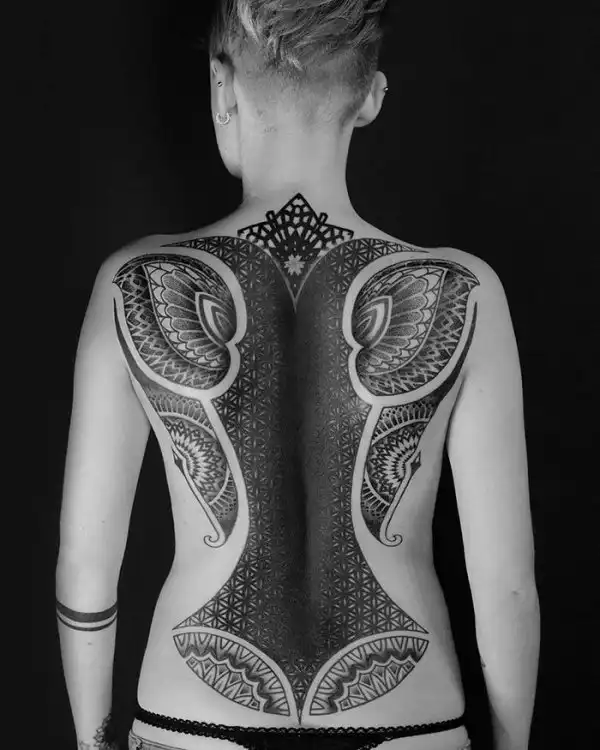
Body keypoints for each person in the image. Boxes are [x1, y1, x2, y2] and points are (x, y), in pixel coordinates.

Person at [56, 1, 540, 749]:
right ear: (371, 96)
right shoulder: (460, 291)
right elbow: (505, 587)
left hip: (196, 723)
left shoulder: (138, 281)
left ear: (222, 87)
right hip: (407, 720)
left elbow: (87, 565)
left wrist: (92, 744)